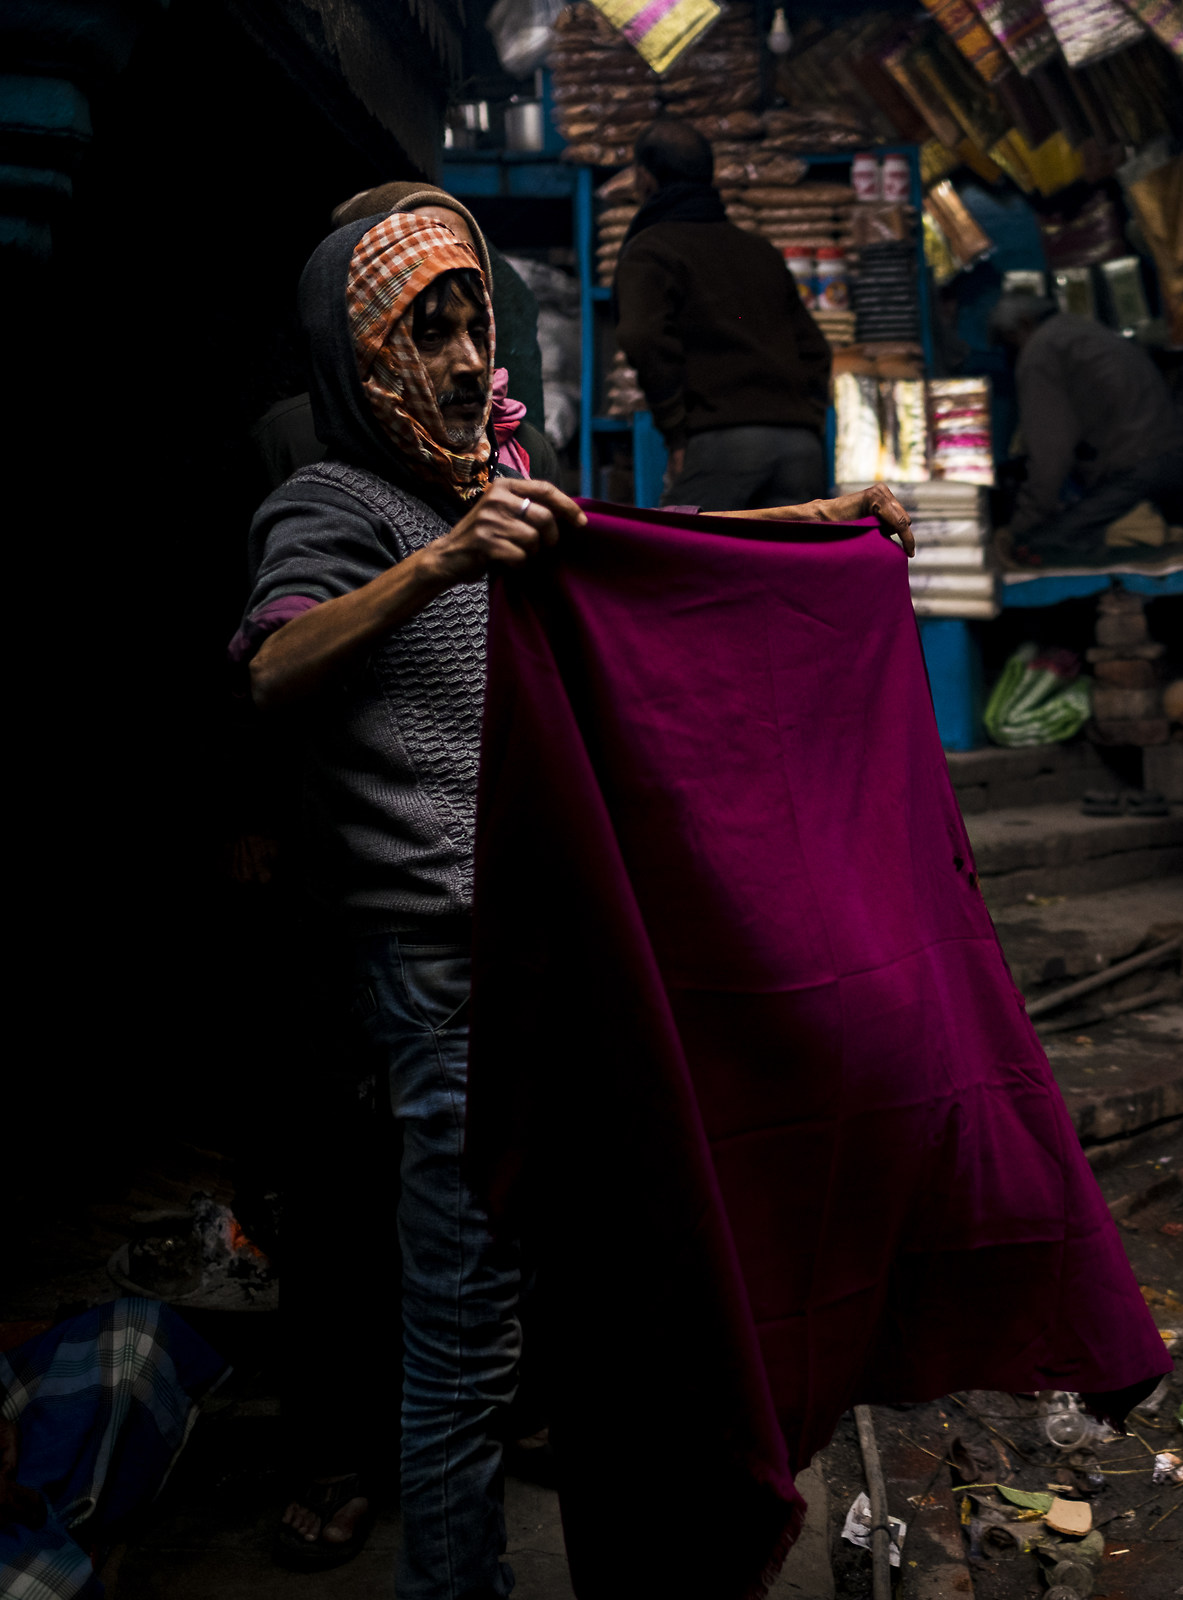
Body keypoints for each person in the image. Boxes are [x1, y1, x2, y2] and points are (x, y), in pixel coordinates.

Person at [233, 209, 910, 1600]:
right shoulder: (336, 505)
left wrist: (815, 524)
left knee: (583, 1295)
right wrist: (440, 561)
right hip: (432, 970)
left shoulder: (491, 475)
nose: (474, 359)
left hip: (540, 944)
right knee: (464, 1331)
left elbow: (638, 548)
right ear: (359, 358)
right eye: (433, 332)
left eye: (477, 322)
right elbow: (269, 667)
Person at [252, 184, 553, 490]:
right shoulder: (297, 447)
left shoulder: (518, 451)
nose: (450, 263)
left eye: (462, 251)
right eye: (419, 248)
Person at [615, 119, 833, 511]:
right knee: (784, 568)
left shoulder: (651, 250)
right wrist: (805, 419)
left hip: (724, 445)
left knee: (678, 560)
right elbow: (816, 349)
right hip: (800, 448)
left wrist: (676, 432)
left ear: (645, 179)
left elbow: (641, 336)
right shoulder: (759, 250)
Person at [989, 291, 1183, 566]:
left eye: (1009, 342)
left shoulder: (1040, 351)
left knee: (1047, 546)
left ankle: (1176, 556)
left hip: (1143, 465)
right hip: (1170, 456)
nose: (1012, 354)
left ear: (1024, 325)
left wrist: (1018, 528)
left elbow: (1050, 455)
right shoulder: (1077, 328)